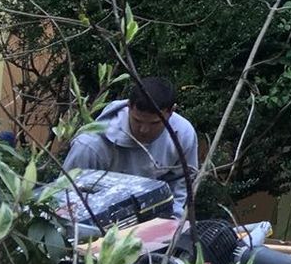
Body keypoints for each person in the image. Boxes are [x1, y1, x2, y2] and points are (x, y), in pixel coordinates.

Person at [63, 77, 201, 218]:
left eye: (154, 123)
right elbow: (66, 198)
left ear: (172, 111)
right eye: (137, 120)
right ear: (128, 106)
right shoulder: (90, 145)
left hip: (152, 220)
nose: (144, 130)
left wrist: (171, 223)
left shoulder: (182, 135)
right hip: (98, 222)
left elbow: (181, 185)